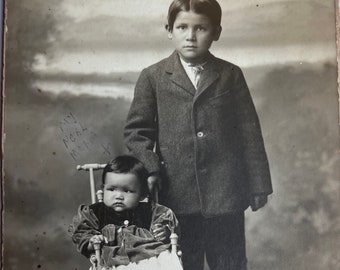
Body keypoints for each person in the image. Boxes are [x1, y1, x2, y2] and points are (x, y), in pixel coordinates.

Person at [124, 0, 273, 269]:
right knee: (182, 262)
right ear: (169, 30)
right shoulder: (152, 77)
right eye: (182, 27)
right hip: (175, 196)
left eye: (201, 28)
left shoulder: (230, 75)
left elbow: (249, 133)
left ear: (216, 32)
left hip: (226, 194)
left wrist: (259, 184)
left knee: (229, 262)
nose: (190, 36)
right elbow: (137, 132)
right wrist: (152, 168)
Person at [69, 155, 181, 269]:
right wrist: (91, 241)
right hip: (112, 263)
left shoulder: (150, 211)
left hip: (147, 260)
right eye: (111, 189)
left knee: (165, 259)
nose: (118, 196)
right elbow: (82, 232)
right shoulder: (95, 212)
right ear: (103, 189)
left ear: (142, 194)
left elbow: (169, 226)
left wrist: (164, 232)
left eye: (127, 191)